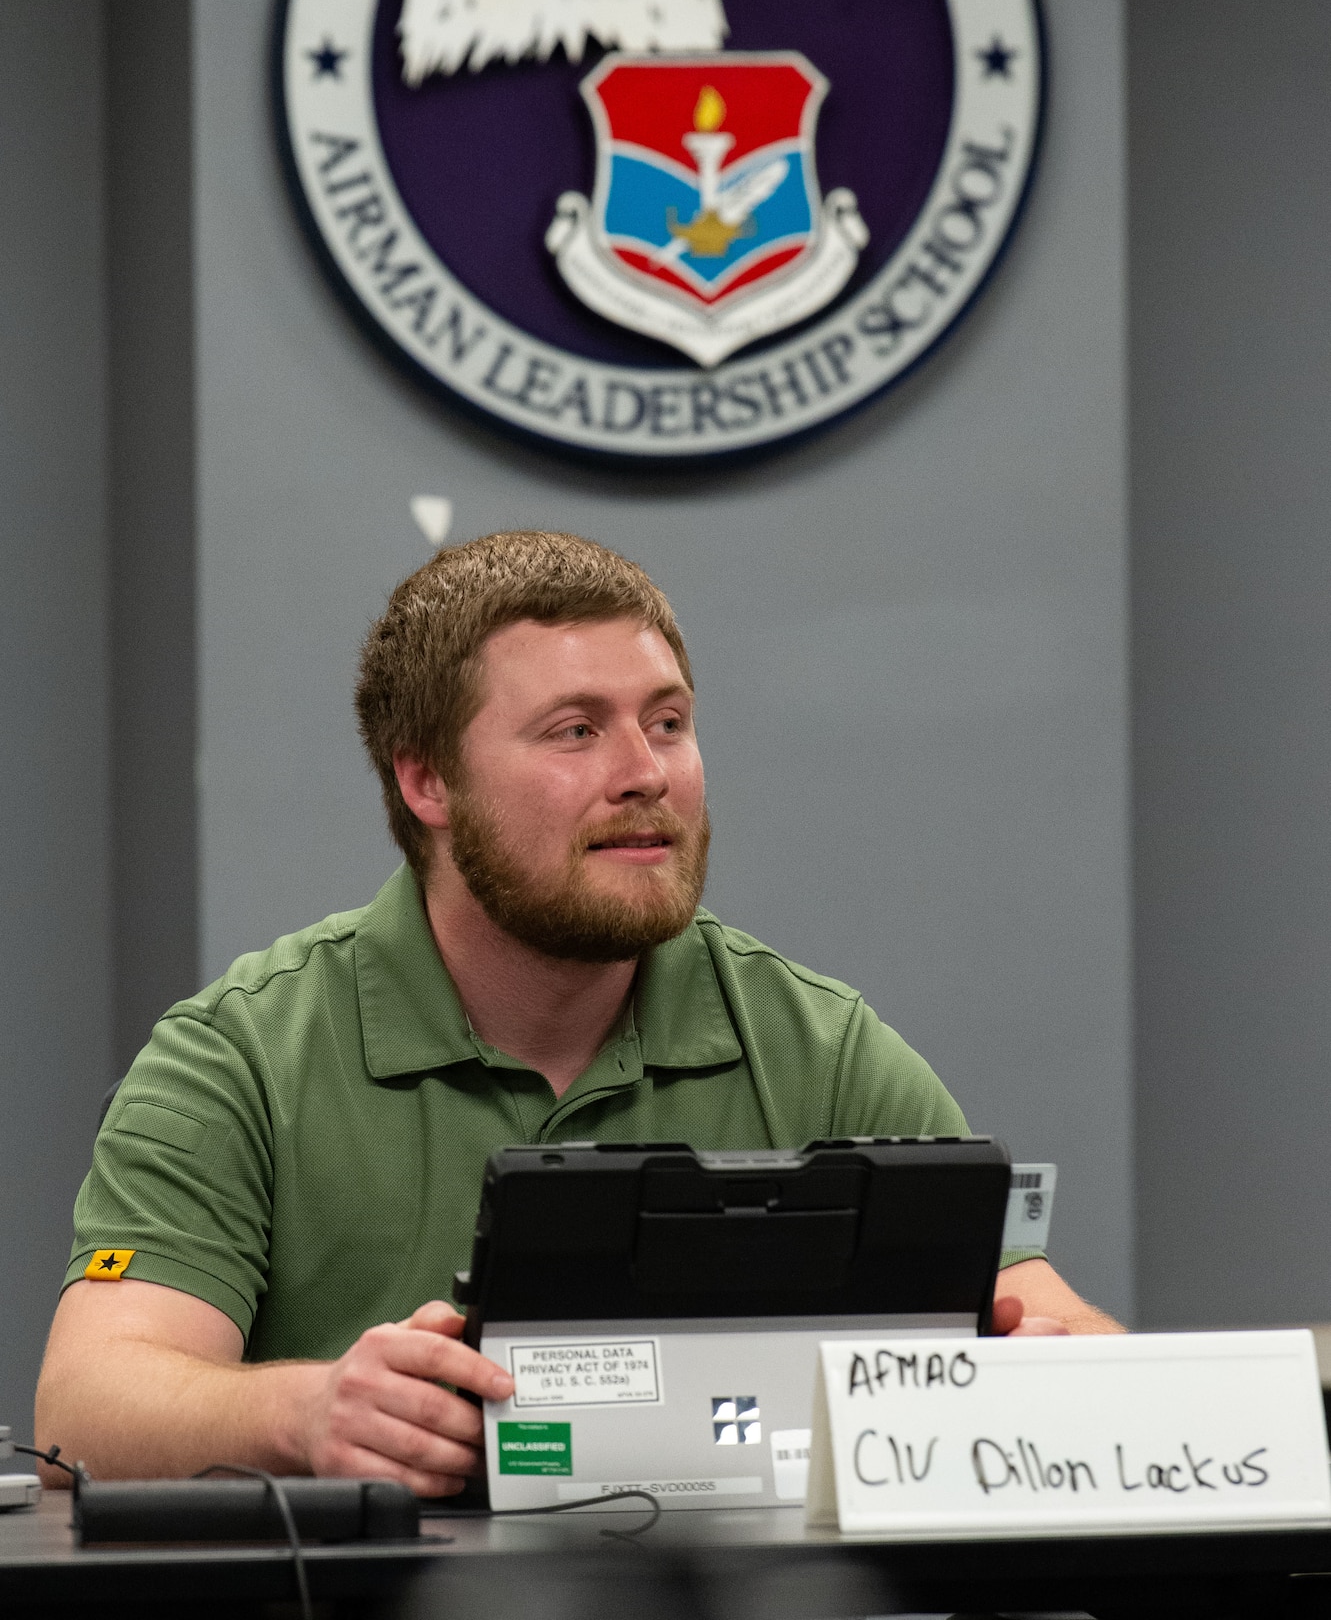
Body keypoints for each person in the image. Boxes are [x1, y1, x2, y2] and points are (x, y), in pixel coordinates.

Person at [36, 532, 1120, 1494]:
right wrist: (306, 1412)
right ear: (427, 781)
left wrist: (1056, 1369)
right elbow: (88, 1403)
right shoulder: (241, 1054)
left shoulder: (814, 1042)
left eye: (668, 721)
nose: (644, 772)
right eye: (573, 730)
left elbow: (1058, 1326)